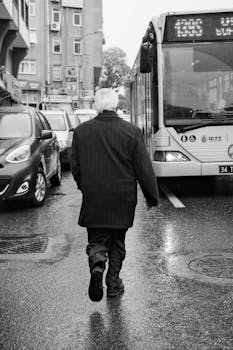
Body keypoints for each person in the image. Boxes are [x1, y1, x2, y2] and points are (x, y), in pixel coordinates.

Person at [71, 88, 159, 302]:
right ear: (116, 105)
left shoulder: (82, 132)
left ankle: (97, 265)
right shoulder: (131, 131)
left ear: (96, 106)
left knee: (97, 239)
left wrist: (85, 186)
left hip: (94, 197)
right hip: (123, 197)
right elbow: (143, 169)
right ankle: (113, 284)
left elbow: (75, 167)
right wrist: (152, 197)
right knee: (118, 241)